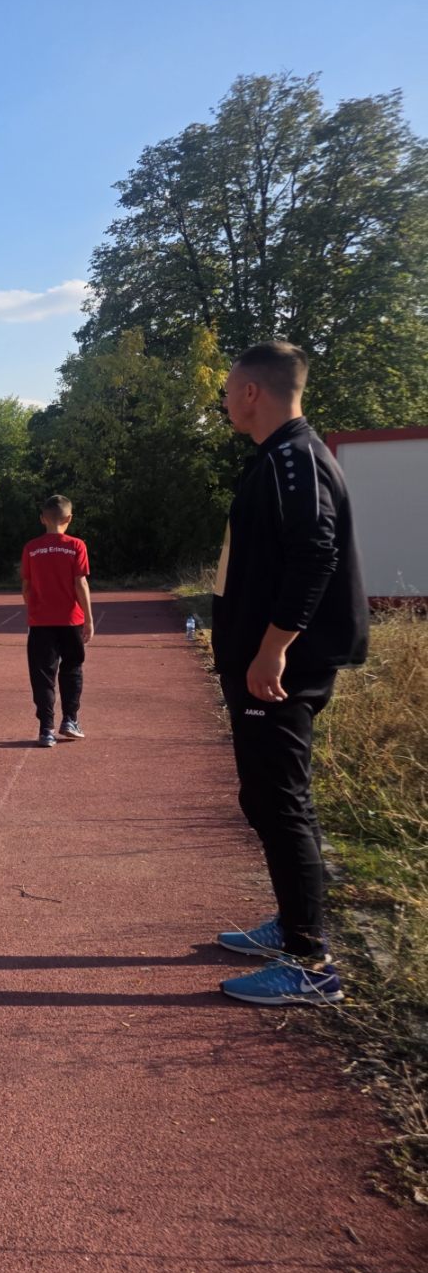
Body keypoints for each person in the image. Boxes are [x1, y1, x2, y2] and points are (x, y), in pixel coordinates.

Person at [212, 341, 367, 1007]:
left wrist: (273, 648)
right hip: (259, 664)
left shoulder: (296, 459)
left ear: (252, 391)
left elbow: (316, 554)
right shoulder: (276, 458)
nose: (223, 400)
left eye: (228, 389)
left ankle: (311, 963)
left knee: (280, 800)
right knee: (266, 797)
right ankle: (291, 920)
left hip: (279, 669)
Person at [20, 496, 93, 748]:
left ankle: (46, 729)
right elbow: (80, 583)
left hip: (40, 622)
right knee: (72, 667)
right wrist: (89, 619)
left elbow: (26, 586)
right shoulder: (76, 546)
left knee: (42, 674)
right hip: (71, 620)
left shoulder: (31, 548)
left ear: (43, 519)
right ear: (69, 518)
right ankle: (70, 719)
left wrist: (34, 608)